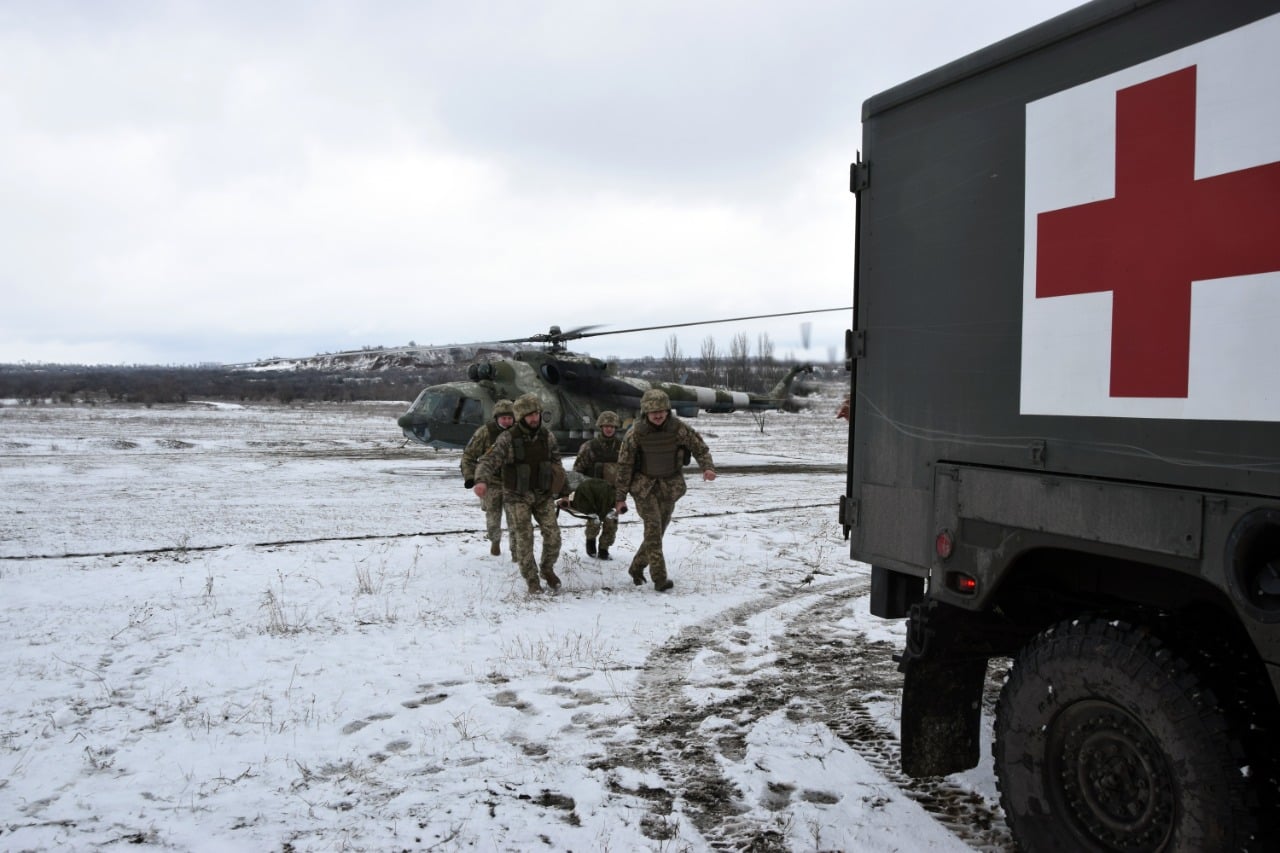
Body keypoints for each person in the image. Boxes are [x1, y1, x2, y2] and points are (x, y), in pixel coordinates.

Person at [614, 388, 716, 592]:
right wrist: (620, 497)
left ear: (668, 410)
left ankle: (636, 567)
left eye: (661, 411)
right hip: (644, 488)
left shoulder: (678, 428)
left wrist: (707, 467)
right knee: (653, 529)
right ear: (646, 412)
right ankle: (659, 579)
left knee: (658, 532)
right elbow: (624, 466)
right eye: (654, 412)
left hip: (669, 487)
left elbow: (699, 447)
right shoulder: (635, 433)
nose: (658, 415)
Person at [474, 393, 566, 594]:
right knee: (524, 538)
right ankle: (532, 580)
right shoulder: (507, 438)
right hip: (517, 496)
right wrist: (481, 481)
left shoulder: (547, 437)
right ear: (521, 417)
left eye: (536, 414)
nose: (534, 418)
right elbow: (488, 461)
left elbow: (557, 464)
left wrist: (562, 489)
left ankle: (547, 569)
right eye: (529, 415)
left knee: (554, 536)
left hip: (542, 494)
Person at [461, 399, 516, 558]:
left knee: (516, 519)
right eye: (504, 418)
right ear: (496, 418)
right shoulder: (484, 432)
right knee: (493, 517)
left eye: (510, 418)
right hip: (491, 482)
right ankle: (495, 541)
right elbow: (468, 456)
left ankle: (516, 550)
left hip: (513, 483)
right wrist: (471, 477)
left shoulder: (519, 433)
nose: (507, 421)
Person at [572, 410, 623, 559]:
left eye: (612, 426)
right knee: (593, 521)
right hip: (592, 492)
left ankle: (604, 549)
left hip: (612, 492)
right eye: (606, 426)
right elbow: (577, 471)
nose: (609, 429)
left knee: (611, 522)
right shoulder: (589, 447)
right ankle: (590, 541)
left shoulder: (622, 448)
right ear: (601, 427)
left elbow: (627, 470)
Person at [557, 471, 627, 558]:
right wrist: (566, 501)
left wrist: (617, 509)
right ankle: (591, 544)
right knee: (595, 521)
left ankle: (603, 550)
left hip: (607, 498)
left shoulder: (616, 493)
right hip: (588, 500)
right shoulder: (585, 487)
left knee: (611, 523)